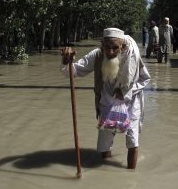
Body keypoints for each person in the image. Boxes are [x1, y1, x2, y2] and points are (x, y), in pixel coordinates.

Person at [61, 28, 151, 169]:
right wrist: (67, 61)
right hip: (106, 102)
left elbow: (145, 79)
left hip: (131, 103)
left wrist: (126, 91)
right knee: (104, 143)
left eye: (115, 48)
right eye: (107, 47)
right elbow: (74, 71)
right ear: (102, 45)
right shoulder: (97, 55)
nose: (110, 52)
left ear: (123, 46)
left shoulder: (132, 56)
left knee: (132, 142)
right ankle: (104, 170)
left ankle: (131, 176)